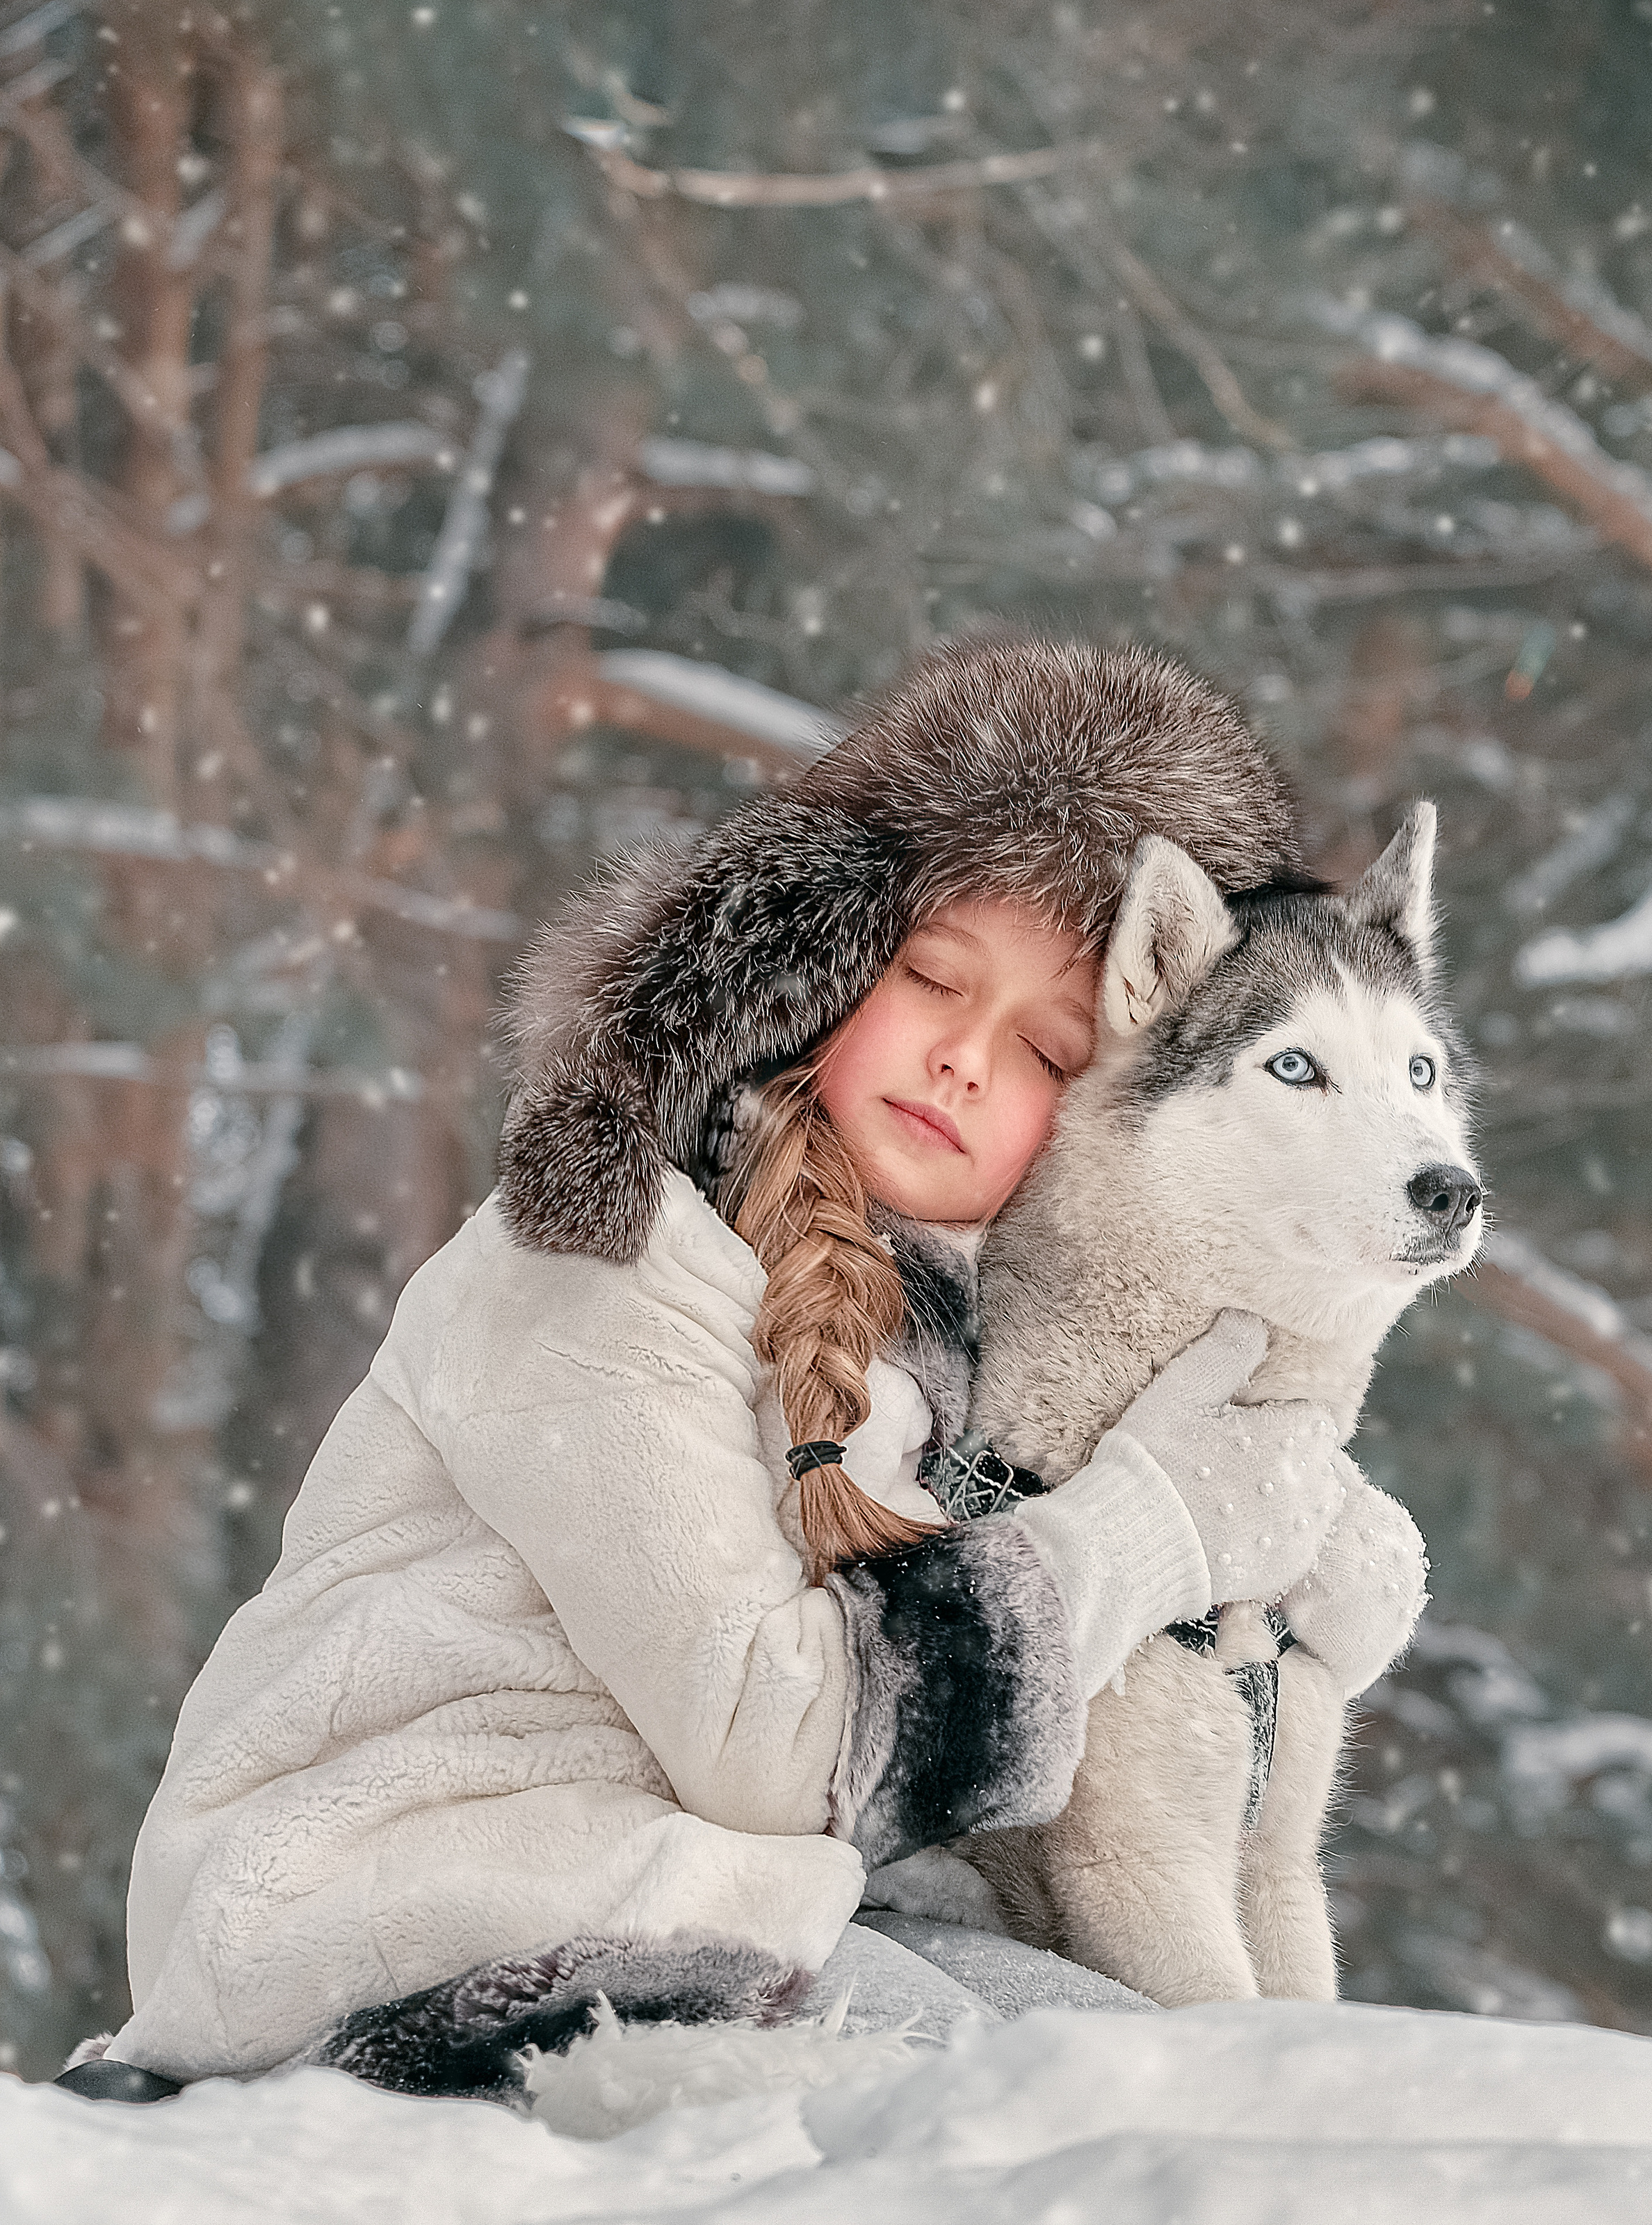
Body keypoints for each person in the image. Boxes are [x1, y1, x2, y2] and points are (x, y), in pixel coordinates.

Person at [82, 636, 1418, 2101]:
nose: (966, 1059)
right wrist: (1158, 1530)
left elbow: (996, 1730)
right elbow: (774, 1740)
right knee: (1043, 2099)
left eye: (1042, 1045)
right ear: (824, 966)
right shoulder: (606, 1256)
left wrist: (1293, 1579)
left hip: (715, 1905)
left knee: (1134, 2064)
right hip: (391, 1904)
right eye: (929, 979)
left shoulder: (953, 1336)